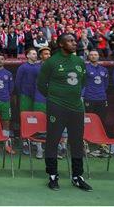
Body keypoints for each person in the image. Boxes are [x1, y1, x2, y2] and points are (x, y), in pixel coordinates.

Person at [37, 34, 92, 192]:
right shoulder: (51, 62)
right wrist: (54, 97)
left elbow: (83, 82)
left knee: (76, 142)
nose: (74, 43)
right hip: (57, 107)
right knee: (53, 141)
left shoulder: (79, 61)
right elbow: (41, 84)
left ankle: (77, 176)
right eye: (70, 41)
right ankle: (53, 176)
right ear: (61, 44)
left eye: (75, 41)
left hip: (76, 108)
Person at [16, 47, 44, 157]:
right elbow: (18, 82)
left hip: (37, 96)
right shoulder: (22, 67)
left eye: (35, 53)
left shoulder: (39, 67)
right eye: (32, 53)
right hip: (25, 96)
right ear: (27, 55)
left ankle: (35, 141)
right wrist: (22, 94)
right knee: (25, 118)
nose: (35, 55)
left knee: (36, 119)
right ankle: (24, 141)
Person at [82, 50, 110, 158]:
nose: (94, 56)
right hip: (89, 98)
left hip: (102, 99)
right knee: (87, 121)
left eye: (96, 54)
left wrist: (101, 92)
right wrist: (83, 95)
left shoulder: (104, 70)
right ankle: (85, 143)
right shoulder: (85, 68)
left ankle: (101, 143)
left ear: (99, 56)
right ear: (89, 57)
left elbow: (106, 84)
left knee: (101, 121)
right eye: (92, 55)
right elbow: (82, 83)